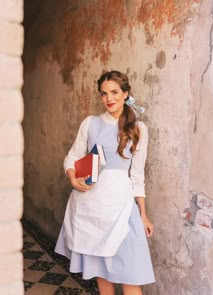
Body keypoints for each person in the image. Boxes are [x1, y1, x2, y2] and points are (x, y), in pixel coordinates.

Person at [55, 70, 156, 295]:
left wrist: (143, 214)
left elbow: (137, 175)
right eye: (103, 94)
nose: (109, 98)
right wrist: (73, 177)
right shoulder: (90, 123)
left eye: (114, 92)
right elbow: (72, 156)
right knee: (101, 273)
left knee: (130, 276)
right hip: (89, 205)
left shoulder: (139, 128)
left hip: (121, 204)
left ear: (126, 93)